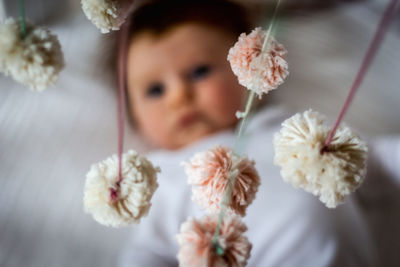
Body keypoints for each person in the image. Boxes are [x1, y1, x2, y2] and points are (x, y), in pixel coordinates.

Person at [117, 0, 377, 266]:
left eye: (199, 72)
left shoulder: (293, 128)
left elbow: (374, 159)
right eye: (155, 90)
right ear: (133, 115)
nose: (179, 97)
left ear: (250, 71)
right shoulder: (162, 176)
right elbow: (149, 253)